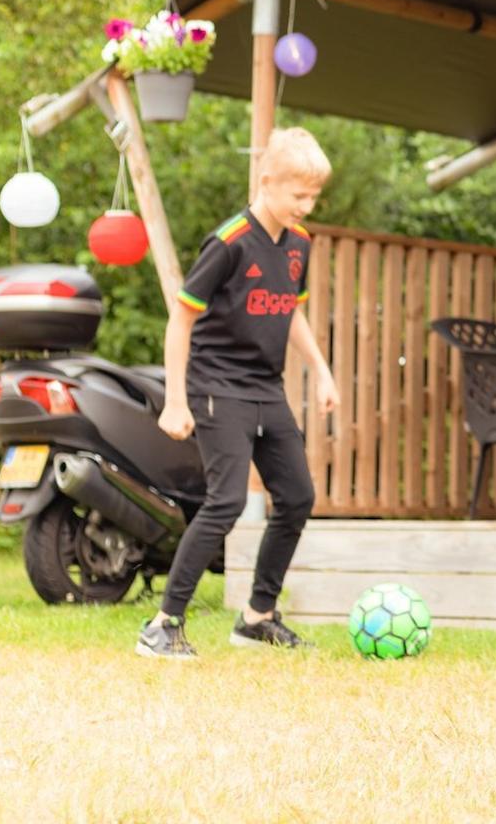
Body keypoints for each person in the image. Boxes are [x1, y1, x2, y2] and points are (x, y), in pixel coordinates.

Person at [136, 127, 340, 659]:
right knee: (225, 501)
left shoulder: (299, 244)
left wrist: (321, 370)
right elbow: (181, 319)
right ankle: (162, 625)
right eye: (299, 195)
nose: (307, 206)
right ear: (267, 181)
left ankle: (257, 617)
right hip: (216, 387)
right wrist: (175, 400)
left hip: (265, 387)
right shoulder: (228, 243)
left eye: (313, 196)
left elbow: (290, 310)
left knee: (297, 496)